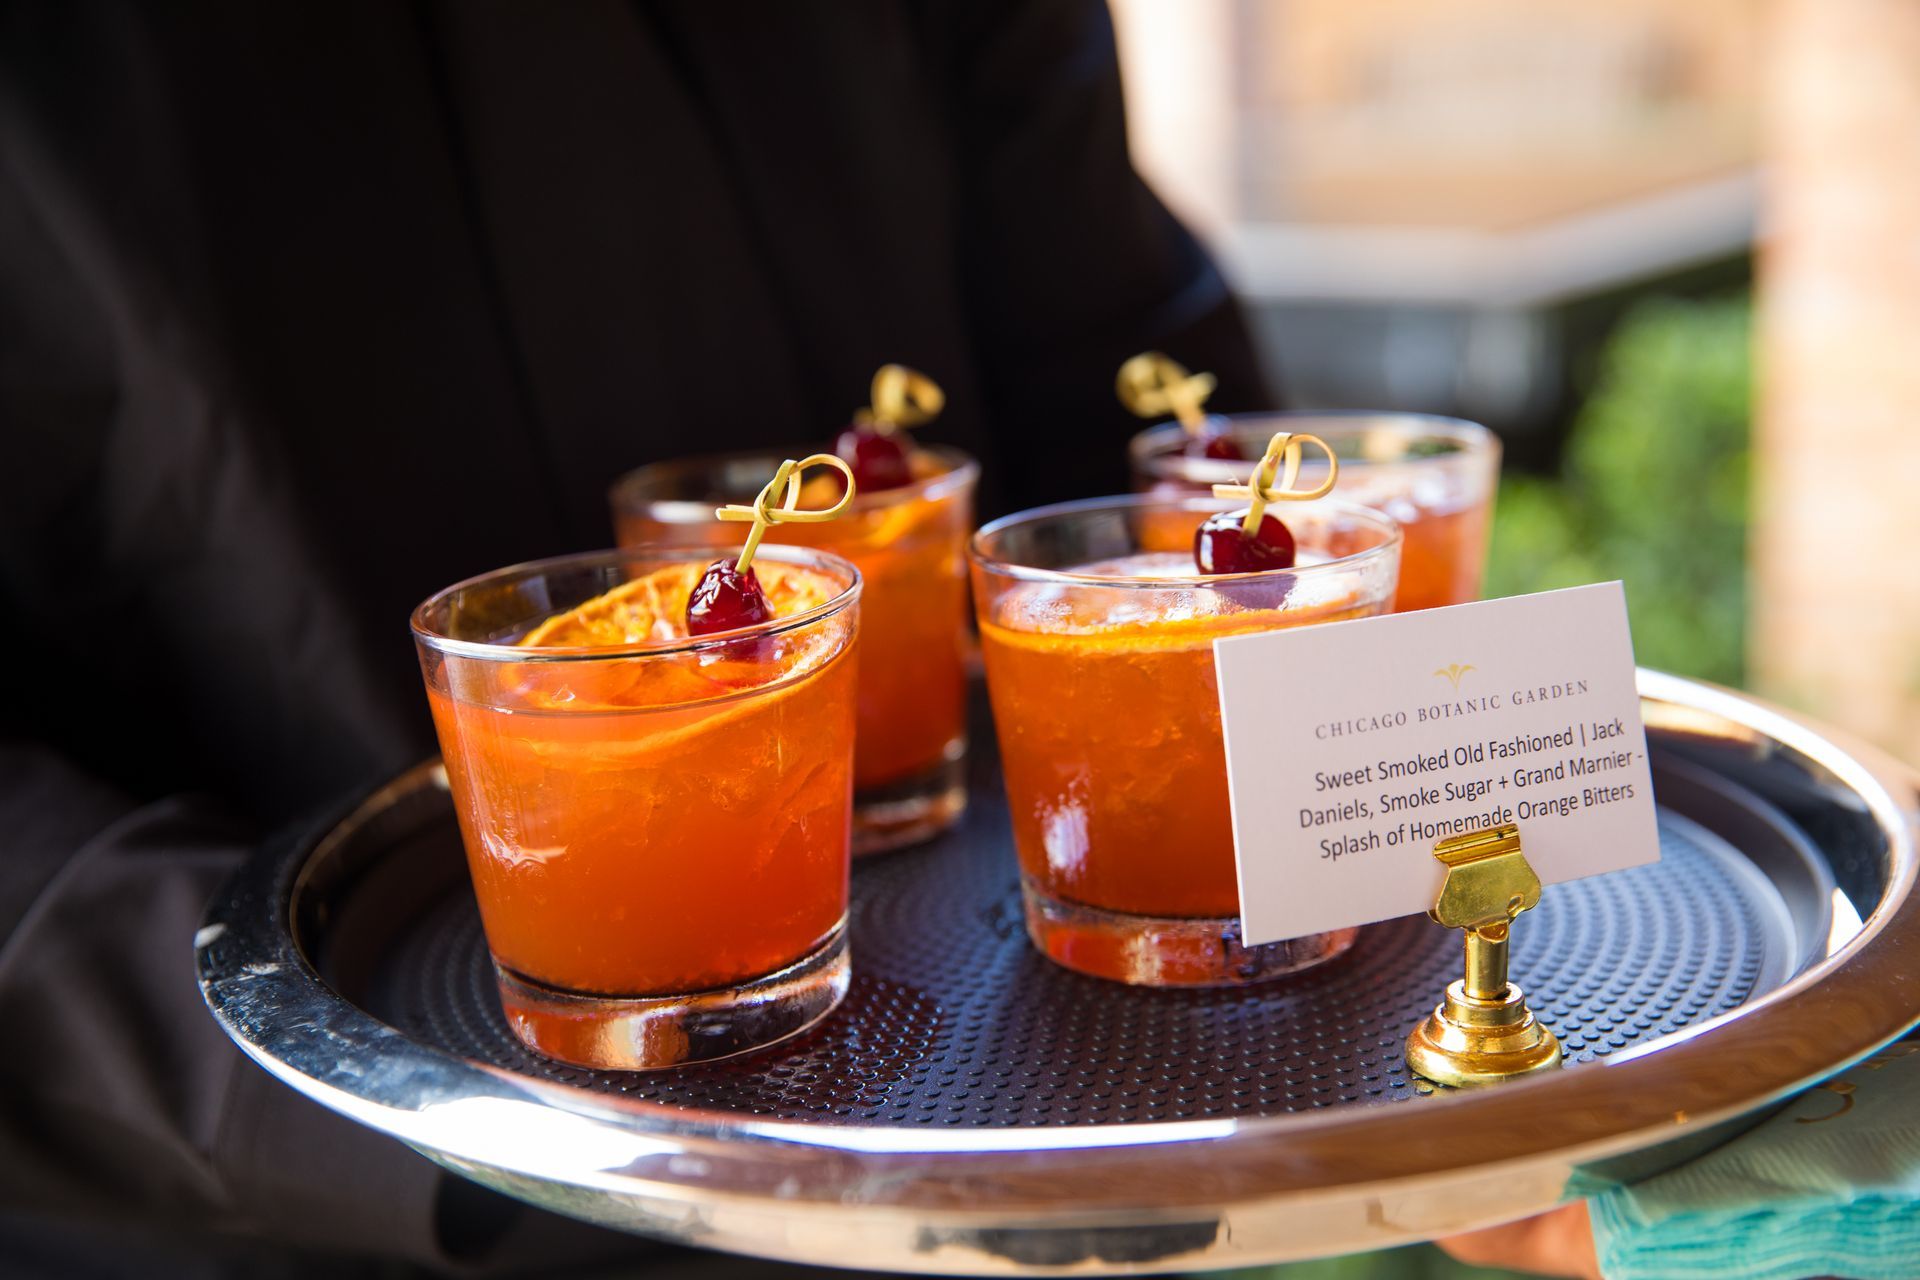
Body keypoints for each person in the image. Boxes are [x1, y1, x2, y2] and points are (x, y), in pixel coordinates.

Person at [0, 2, 1271, 1273]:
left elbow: (1115, 377)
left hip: (973, 1076)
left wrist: (1282, 847)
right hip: (314, 1204)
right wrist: (359, 1094)